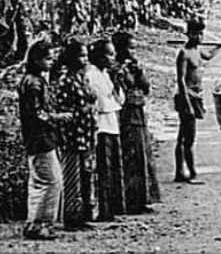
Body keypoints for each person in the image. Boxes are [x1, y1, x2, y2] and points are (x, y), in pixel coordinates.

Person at [18, 40, 72, 240]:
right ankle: (41, 224)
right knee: (52, 180)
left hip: (38, 137)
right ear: (36, 59)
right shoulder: (33, 83)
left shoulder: (34, 80)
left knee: (39, 181)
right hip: (41, 137)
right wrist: (60, 117)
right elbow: (38, 113)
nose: (51, 62)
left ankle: (34, 222)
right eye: (47, 59)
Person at [112, 31, 160, 213]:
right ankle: (130, 200)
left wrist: (138, 72)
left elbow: (146, 87)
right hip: (126, 115)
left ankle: (142, 198)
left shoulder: (134, 66)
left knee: (142, 155)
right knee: (130, 156)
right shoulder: (115, 69)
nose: (132, 52)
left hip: (138, 112)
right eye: (129, 48)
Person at [55, 38, 97, 230]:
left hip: (86, 133)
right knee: (72, 176)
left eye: (86, 55)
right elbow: (64, 110)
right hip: (73, 135)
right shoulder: (66, 81)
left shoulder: (83, 78)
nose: (85, 59)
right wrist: (84, 110)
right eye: (81, 55)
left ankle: (84, 215)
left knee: (86, 174)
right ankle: (71, 217)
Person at [174, 17, 221, 184]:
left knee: (183, 136)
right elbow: (180, 80)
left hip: (197, 95)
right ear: (189, 34)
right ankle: (191, 173)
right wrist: (187, 104)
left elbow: (208, 56)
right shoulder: (184, 53)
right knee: (189, 137)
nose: (200, 37)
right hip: (186, 96)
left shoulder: (198, 50)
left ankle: (180, 171)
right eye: (196, 34)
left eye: (201, 34)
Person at [88, 38, 126, 221]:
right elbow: (101, 102)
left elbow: (118, 100)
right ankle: (103, 209)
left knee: (113, 168)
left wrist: (117, 85)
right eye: (109, 54)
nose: (113, 57)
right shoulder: (92, 75)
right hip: (101, 126)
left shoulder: (106, 74)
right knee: (104, 168)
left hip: (112, 123)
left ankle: (113, 207)